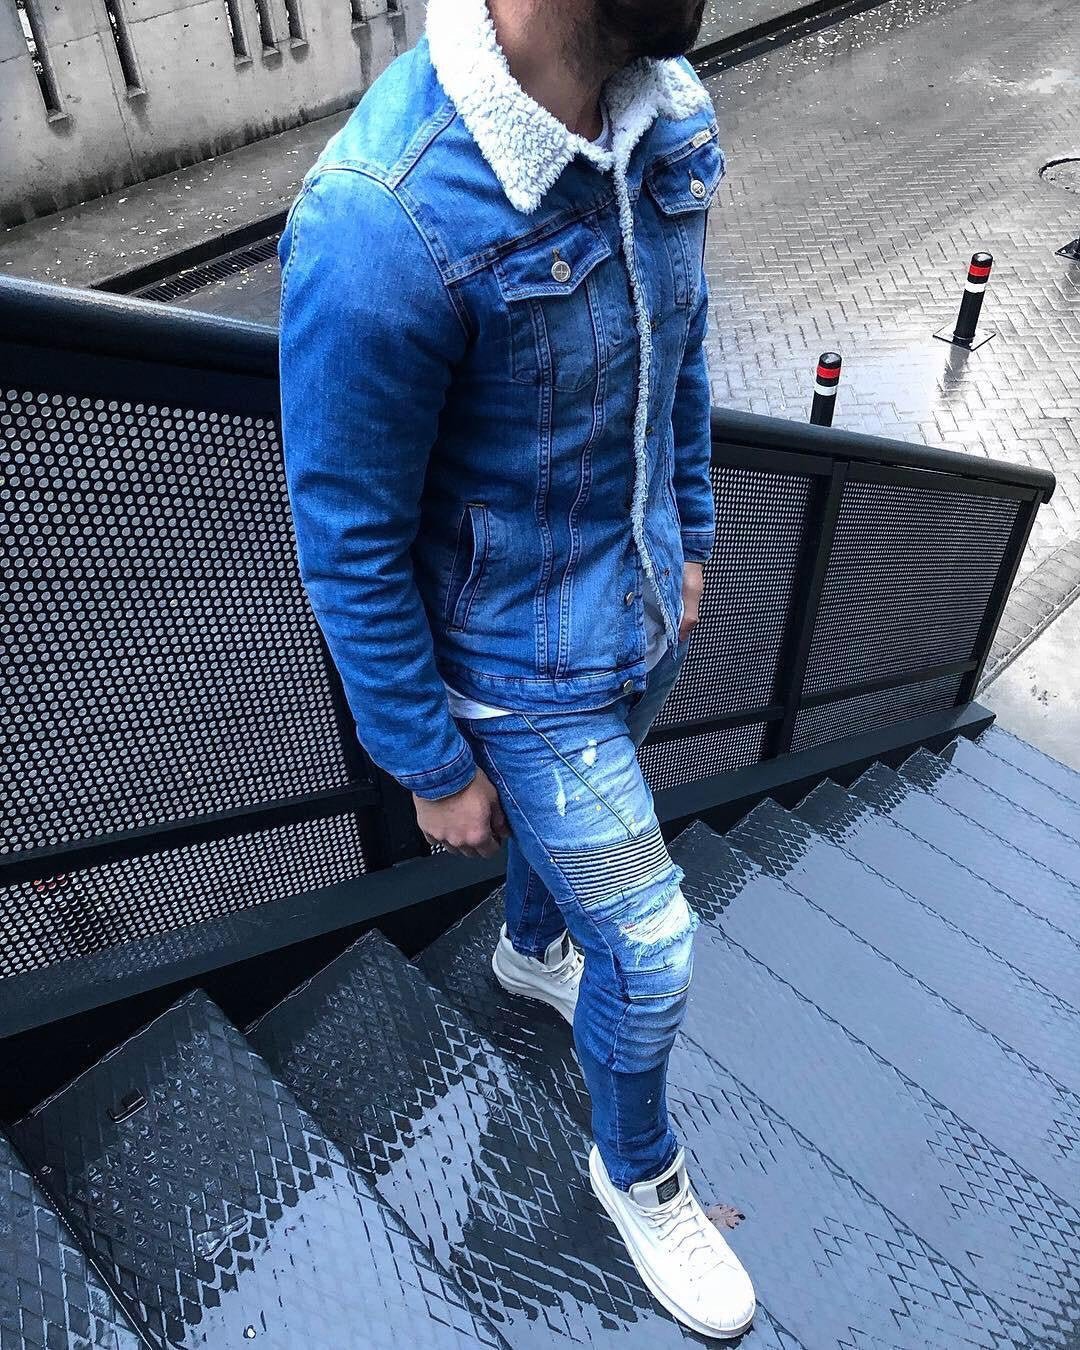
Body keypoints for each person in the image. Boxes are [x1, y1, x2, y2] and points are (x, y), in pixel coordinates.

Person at [277, 0, 756, 1336]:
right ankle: (637, 1171)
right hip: (521, 676)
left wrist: (692, 525)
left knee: (580, 901)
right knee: (652, 950)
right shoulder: (378, 218)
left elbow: (682, 337)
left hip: (639, 610)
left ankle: (532, 949)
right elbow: (348, 538)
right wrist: (427, 762)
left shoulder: (666, 105)